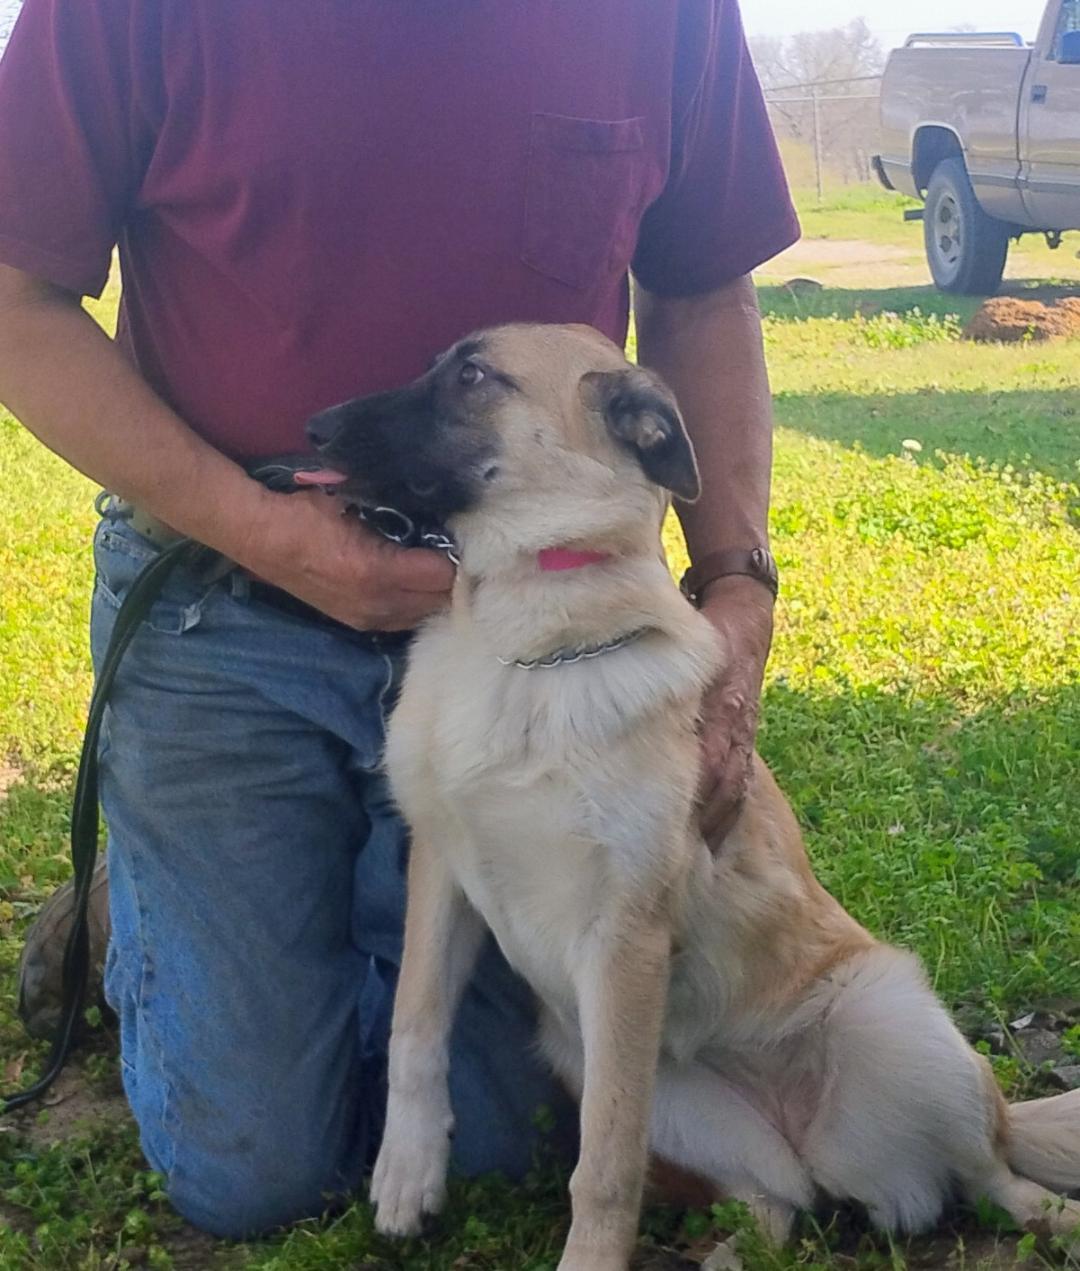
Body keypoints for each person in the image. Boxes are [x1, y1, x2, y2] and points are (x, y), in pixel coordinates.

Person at [0, 0, 799, 1240]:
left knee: (489, 1145)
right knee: (255, 1169)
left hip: (520, 629)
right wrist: (266, 532)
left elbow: (703, 295)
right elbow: (13, 299)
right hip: (228, 599)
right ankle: (147, 900)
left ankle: (279, 907)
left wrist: (737, 579)